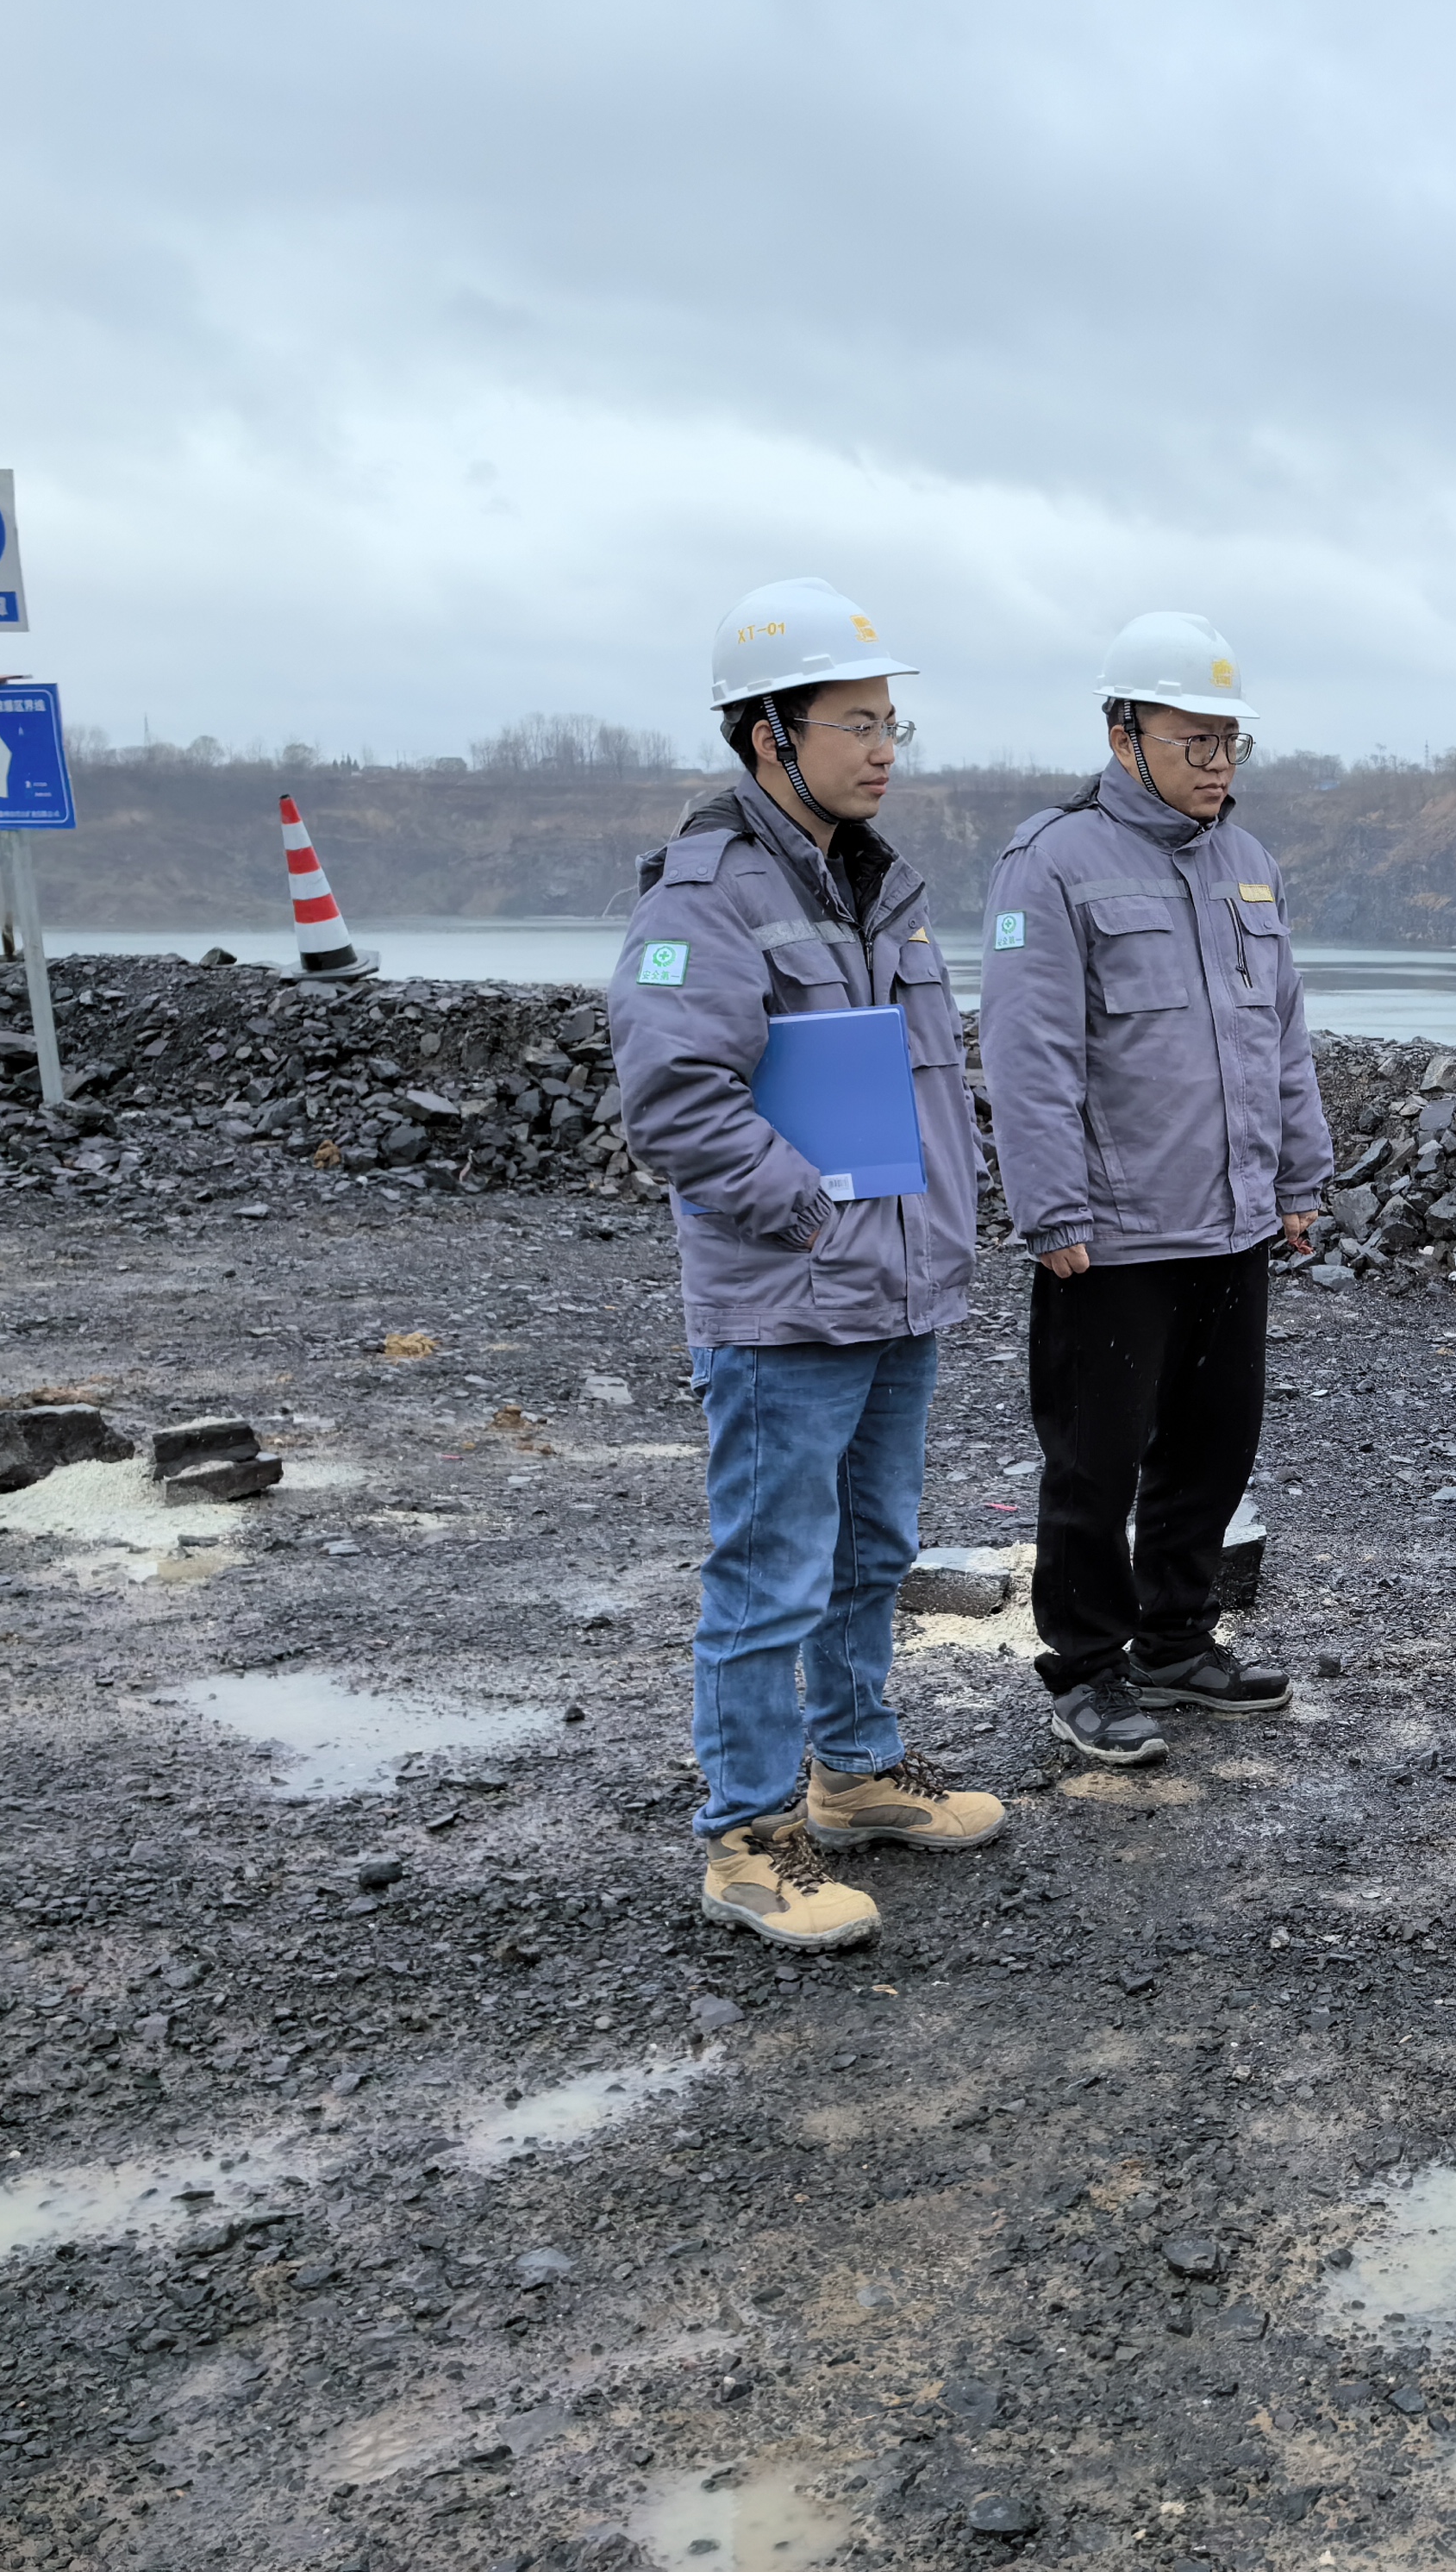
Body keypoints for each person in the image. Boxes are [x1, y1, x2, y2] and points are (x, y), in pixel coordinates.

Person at [609, 576, 1004, 1953]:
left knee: (874, 1546)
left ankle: (855, 1772)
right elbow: (674, 1097)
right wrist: (810, 1213)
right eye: (856, 723)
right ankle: (747, 1835)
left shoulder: (878, 884)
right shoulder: (708, 894)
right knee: (770, 1569)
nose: (884, 748)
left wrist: (932, 1226)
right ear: (767, 733)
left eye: (892, 722)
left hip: (896, 1286)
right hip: (789, 1298)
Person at [981, 612, 1331, 1771]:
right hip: (1112, 1232)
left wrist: (1298, 1173)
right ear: (1123, 734)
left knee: (1213, 1442)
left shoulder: (1248, 863)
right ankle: (1086, 1666)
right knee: (1096, 1457)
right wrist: (1050, 1208)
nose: (1218, 763)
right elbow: (1029, 1053)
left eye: (1231, 741)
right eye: (1195, 740)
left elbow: (1282, 1035)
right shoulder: (1052, 863)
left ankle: (1177, 1639)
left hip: (1231, 1217)